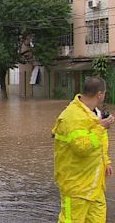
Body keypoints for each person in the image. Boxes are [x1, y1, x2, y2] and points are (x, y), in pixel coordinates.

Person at [52, 76, 114, 222]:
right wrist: (101, 128)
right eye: (104, 93)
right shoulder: (71, 117)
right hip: (76, 187)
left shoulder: (94, 113)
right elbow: (81, 147)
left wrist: (106, 161)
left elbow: (100, 143)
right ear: (100, 94)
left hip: (95, 186)